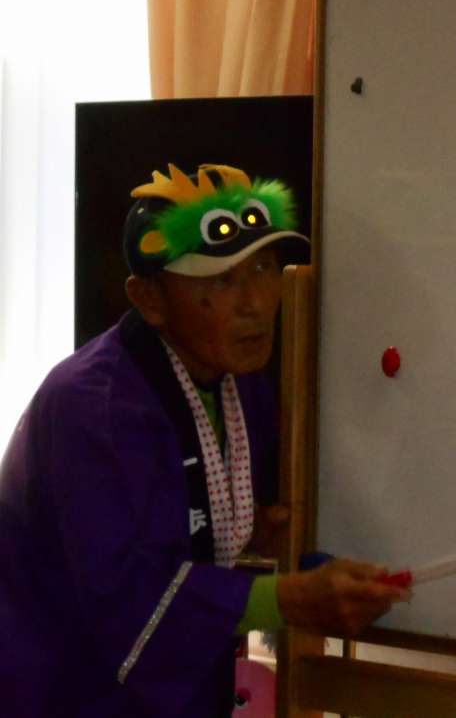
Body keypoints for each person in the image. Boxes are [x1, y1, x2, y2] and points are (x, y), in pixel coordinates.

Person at [0, 163, 409, 717]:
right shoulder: (92, 406)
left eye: (264, 268)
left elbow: (197, 524)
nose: (255, 302)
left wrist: (275, 546)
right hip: (63, 686)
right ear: (149, 298)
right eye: (221, 280)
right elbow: (125, 597)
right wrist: (289, 598)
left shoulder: (236, 381)